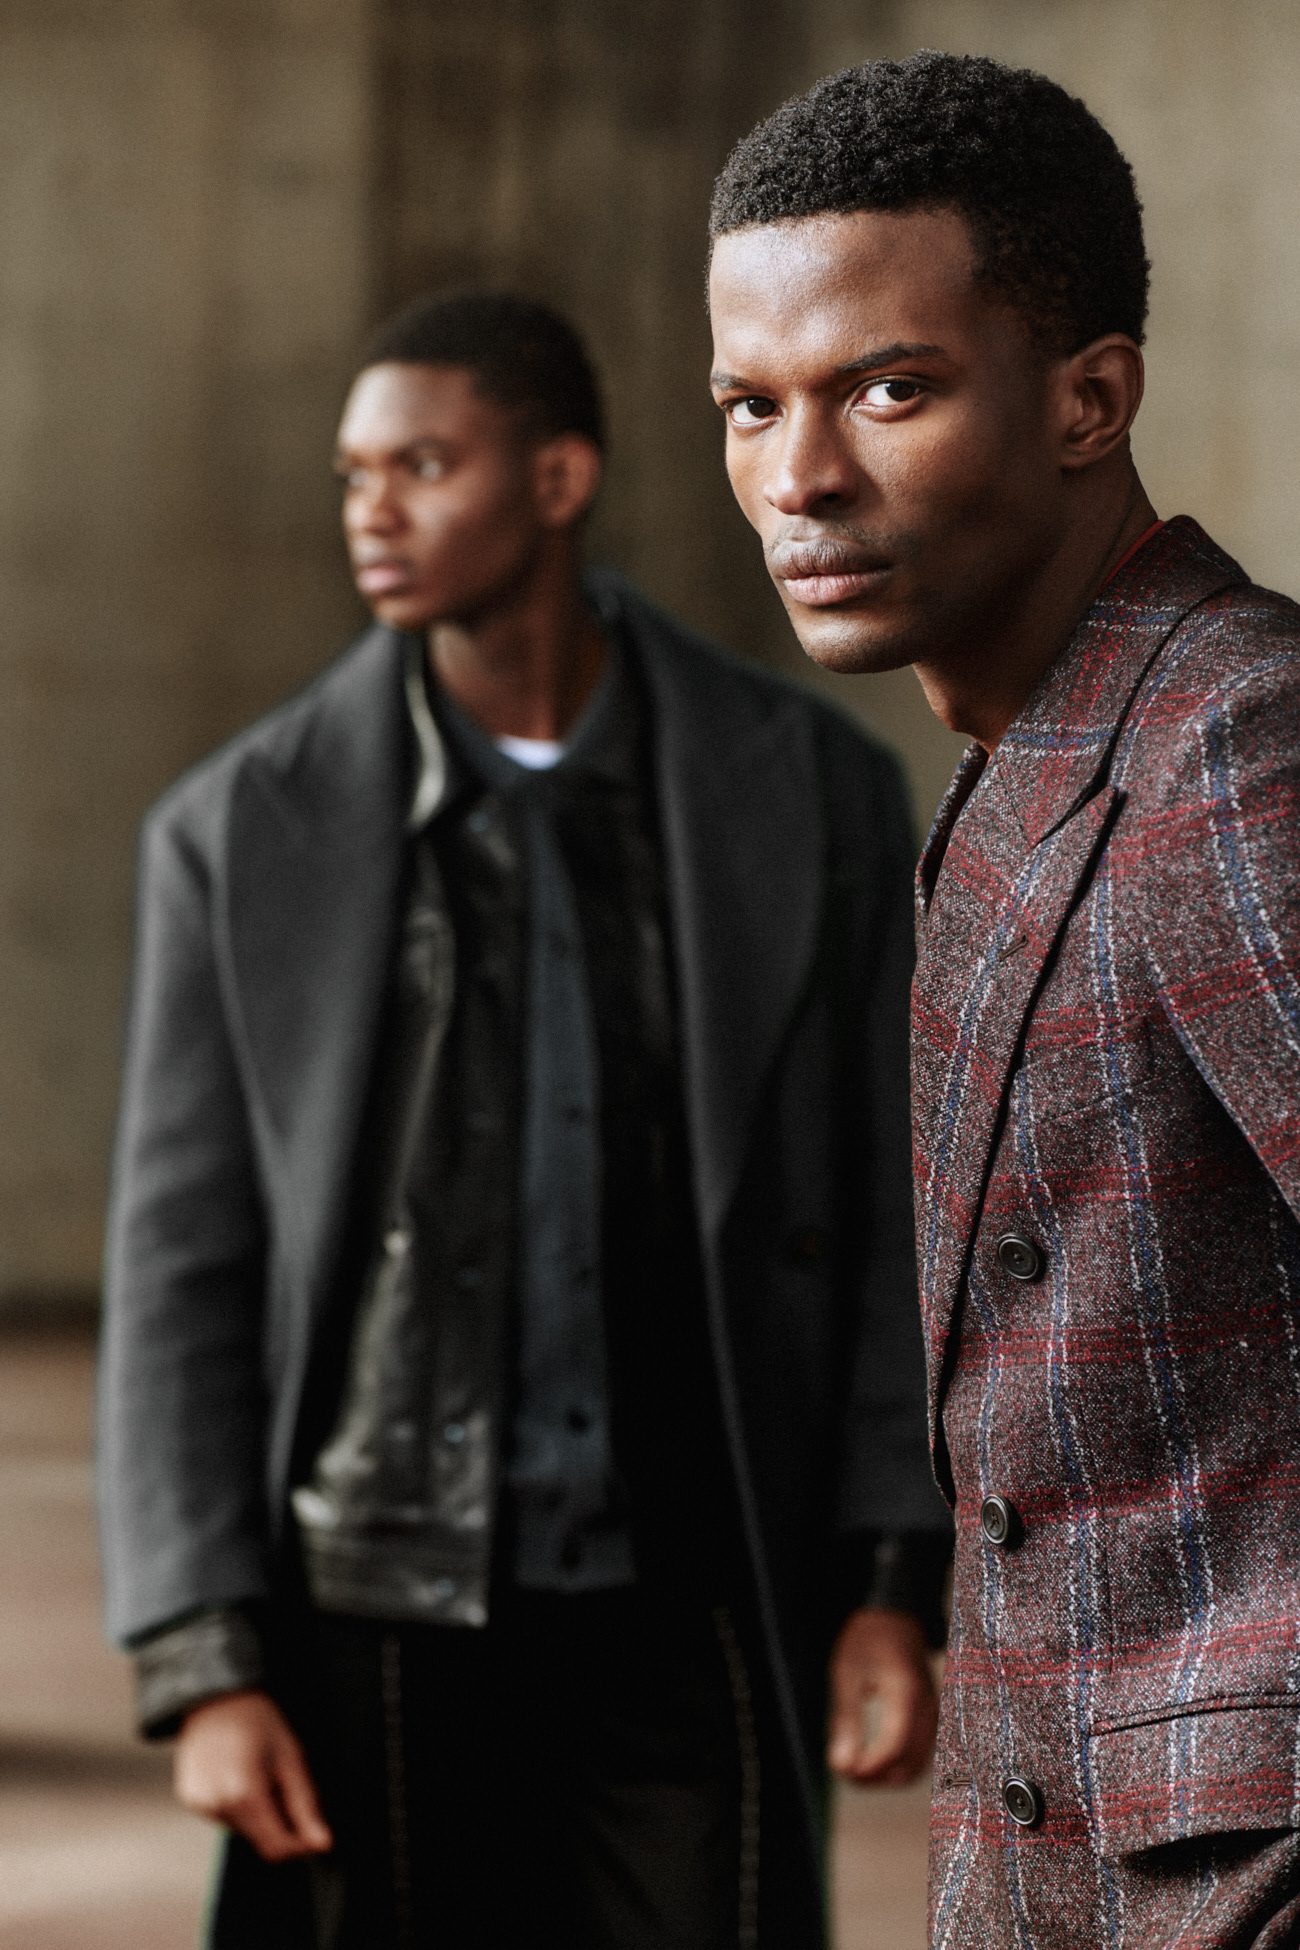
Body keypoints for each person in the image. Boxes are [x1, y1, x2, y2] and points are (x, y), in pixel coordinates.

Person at [98, 289, 951, 1950]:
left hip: (699, 1583)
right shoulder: (236, 832)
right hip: (372, 1598)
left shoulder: (809, 791)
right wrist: (202, 1660)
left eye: (422, 465)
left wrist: (887, 1582)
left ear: (559, 478)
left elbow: (890, 1219)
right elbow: (183, 1270)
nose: (372, 509)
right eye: (354, 473)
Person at [708, 49, 1300, 1950]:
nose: (800, 477)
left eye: (889, 389)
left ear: (1087, 400)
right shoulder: (1028, 759)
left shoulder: (1237, 748)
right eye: (751, 405)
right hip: (1062, 1864)